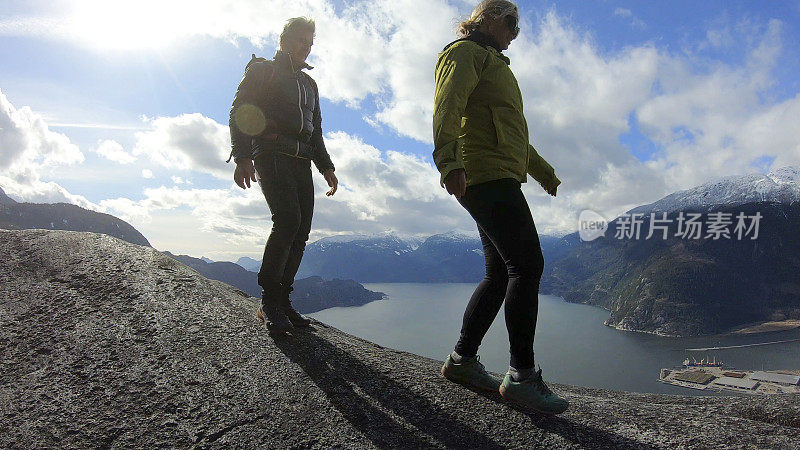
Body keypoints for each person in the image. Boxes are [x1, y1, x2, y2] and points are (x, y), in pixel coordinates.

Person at [433, 0, 568, 414]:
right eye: (511, 22)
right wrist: (449, 161)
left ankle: (462, 361)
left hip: (497, 173)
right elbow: (447, 107)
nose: (515, 32)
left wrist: (545, 174)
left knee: (499, 272)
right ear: (487, 17)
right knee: (527, 266)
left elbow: (511, 136)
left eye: (518, 26)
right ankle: (523, 376)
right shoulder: (465, 53)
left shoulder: (496, 65)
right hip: (483, 173)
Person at [228, 17, 338, 336]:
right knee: (288, 219)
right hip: (271, 153)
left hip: (301, 159)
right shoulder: (264, 70)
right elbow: (241, 110)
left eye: (311, 42)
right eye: (302, 40)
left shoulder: (309, 84)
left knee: (301, 229)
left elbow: (315, 131)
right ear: (284, 41)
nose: (307, 47)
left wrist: (326, 167)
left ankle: (284, 300)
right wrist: (242, 155)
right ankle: (270, 302)